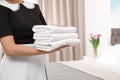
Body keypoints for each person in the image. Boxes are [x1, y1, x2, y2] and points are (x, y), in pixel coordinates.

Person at [0, 0, 68, 80]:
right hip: (15, 67)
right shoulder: (2, 9)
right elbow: (10, 49)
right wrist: (46, 50)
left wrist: (61, 30)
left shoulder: (34, 7)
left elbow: (45, 32)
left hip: (37, 63)